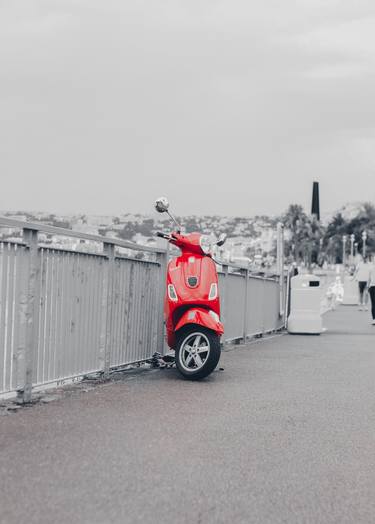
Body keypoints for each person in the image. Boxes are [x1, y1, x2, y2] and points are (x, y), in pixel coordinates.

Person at [368, 256, 375, 325]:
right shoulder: (371, 268)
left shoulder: (371, 268)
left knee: (373, 304)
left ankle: (374, 319)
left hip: (372, 287)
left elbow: (369, 278)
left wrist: (368, 287)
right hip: (372, 286)